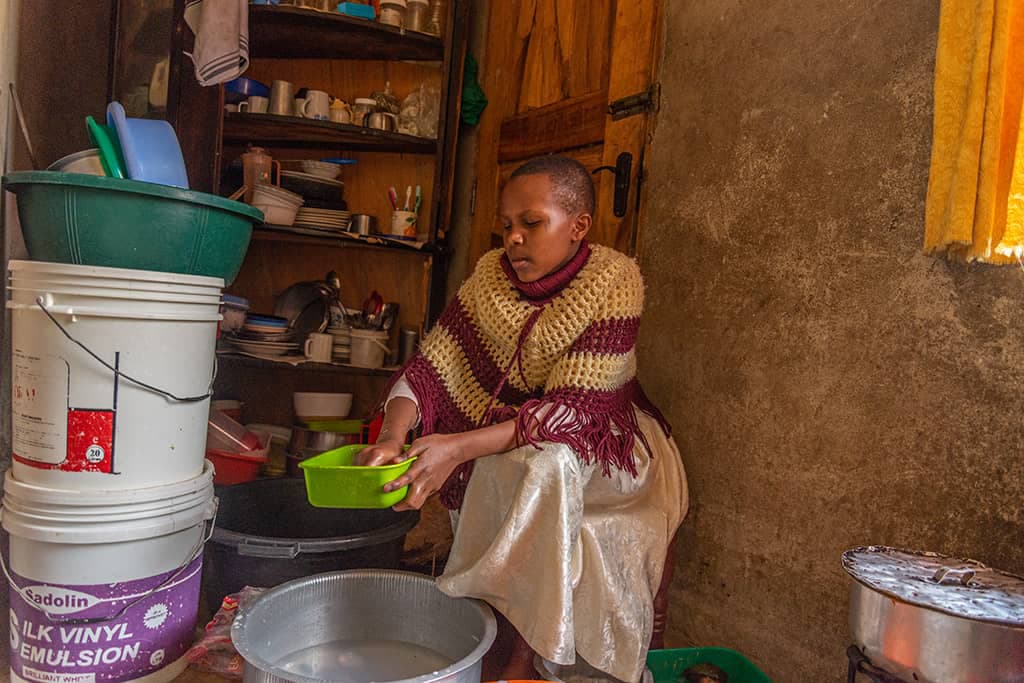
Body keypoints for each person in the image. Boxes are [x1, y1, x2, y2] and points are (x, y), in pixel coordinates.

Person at [357, 155, 688, 683]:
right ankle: (489, 628)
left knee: (545, 465)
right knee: (508, 464)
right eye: (506, 225)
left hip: (607, 452)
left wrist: (457, 447)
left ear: (578, 226)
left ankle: (525, 654)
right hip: (514, 438)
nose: (513, 238)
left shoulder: (614, 280)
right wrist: (395, 435)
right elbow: (431, 366)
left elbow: (574, 413)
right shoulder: (490, 277)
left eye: (531, 223)